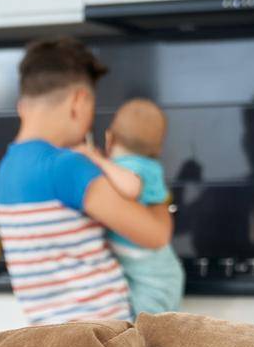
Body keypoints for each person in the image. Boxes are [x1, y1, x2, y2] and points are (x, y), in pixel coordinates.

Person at [0, 36, 172, 325]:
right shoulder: (66, 167)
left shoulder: (5, 171)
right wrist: (155, 188)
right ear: (79, 101)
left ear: (23, 104)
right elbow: (155, 235)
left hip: (52, 341)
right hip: (105, 339)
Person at [78, 97, 184, 315]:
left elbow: (131, 187)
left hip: (153, 272)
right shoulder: (149, 166)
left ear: (109, 139)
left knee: (144, 329)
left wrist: (98, 160)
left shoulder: (135, 167)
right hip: (152, 268)